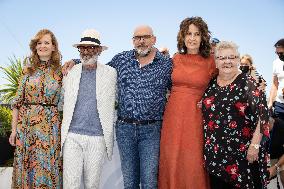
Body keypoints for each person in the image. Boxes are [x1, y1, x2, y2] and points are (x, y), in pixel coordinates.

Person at [62, 25, 172, 189]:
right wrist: (75, 61)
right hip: (125, 129)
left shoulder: (166, 64)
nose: (141, 41)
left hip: (152, 130)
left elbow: (178, 88)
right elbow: (99, 68)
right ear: (133, 41)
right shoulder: (122, 59)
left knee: (149, 181)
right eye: (137, 38)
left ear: (153, 39)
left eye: (145, 37)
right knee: (129, 182)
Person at [202, 41, 270, 188]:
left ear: (238, 60)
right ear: (216, 62)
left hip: (244, 155)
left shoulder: (248, 83)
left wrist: (255, 145)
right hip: (216, 156)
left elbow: (263, 114)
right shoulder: (211, 85)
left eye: (231, 57)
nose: (227, 61)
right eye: (222, 58)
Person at [158, 16, 216, 189]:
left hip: (196, 117)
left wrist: (208, 100)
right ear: (182, 37)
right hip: (173, 116)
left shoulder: (211, 61)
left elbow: (223, 86)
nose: (192, 38)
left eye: (196, 34)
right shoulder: (175, 59)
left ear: (203, 37)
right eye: (188, 34)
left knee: (193, 160)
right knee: (172, 158)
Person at [61, 29, 117, 189]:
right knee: (70, 184)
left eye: (90, 48)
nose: (86, 52)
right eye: (82, 48)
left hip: (97, 138)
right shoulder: (69, 72)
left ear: (99, 50)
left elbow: (120, 98)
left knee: (92, 184)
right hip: (71, 136)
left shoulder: (111, 73)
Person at [9, 29, 62, 188]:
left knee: (48, 168)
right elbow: (17, 103)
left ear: (53, 47)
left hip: (49, 129)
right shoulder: (27, 71)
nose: (43, 46)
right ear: (35, 47)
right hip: (26, 129)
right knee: (27, 168)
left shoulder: (61, 72)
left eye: (47, 42)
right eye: (39, 43)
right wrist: (13, 130)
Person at [267, 38, 284, 188]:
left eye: (281, 53)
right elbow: (274, 84)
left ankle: (277, 167)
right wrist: (270, 102)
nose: (279, 56)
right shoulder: (276, 63)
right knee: (275, 145)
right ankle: (275, 170)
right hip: (279, 106)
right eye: (277, 53)